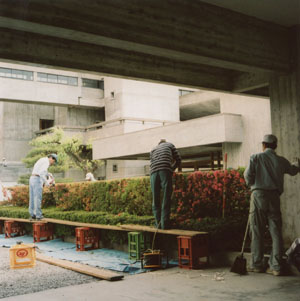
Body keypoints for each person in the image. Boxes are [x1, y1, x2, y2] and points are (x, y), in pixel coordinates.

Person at [244, 134, 300, 276]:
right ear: (275, 146)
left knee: (256, 229)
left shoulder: (255, 157)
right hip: (274, 197)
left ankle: (256, 264)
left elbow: (247, 176)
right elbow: (293, 170)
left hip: (259, 195)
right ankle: (276, 267)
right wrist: (297, 164)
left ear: (263, 145)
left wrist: (252, 185)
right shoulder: (281, 161)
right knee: (275, 231)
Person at [150, 139, 181, 229]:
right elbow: (178, 159)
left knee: (155, 199)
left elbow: (151, 164)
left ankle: (158, 224)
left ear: (158, 144)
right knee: (166, 197)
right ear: (165, 142)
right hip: (165, 170)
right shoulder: (170, 145)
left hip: (153, 173)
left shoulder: (153, 149)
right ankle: (165, 224)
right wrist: (172, 169)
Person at [29, 154, 58, 220]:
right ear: (51, 158)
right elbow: (41, 173)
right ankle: (38, 215)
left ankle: (32, 215)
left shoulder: (42, 159)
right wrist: (46, 182)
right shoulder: (46, 162)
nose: (52, 163)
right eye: (53, 162)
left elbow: (41, 170)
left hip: (32, 178)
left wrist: (48, 174)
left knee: (32, 197)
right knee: (37, 198)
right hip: (37, 179)